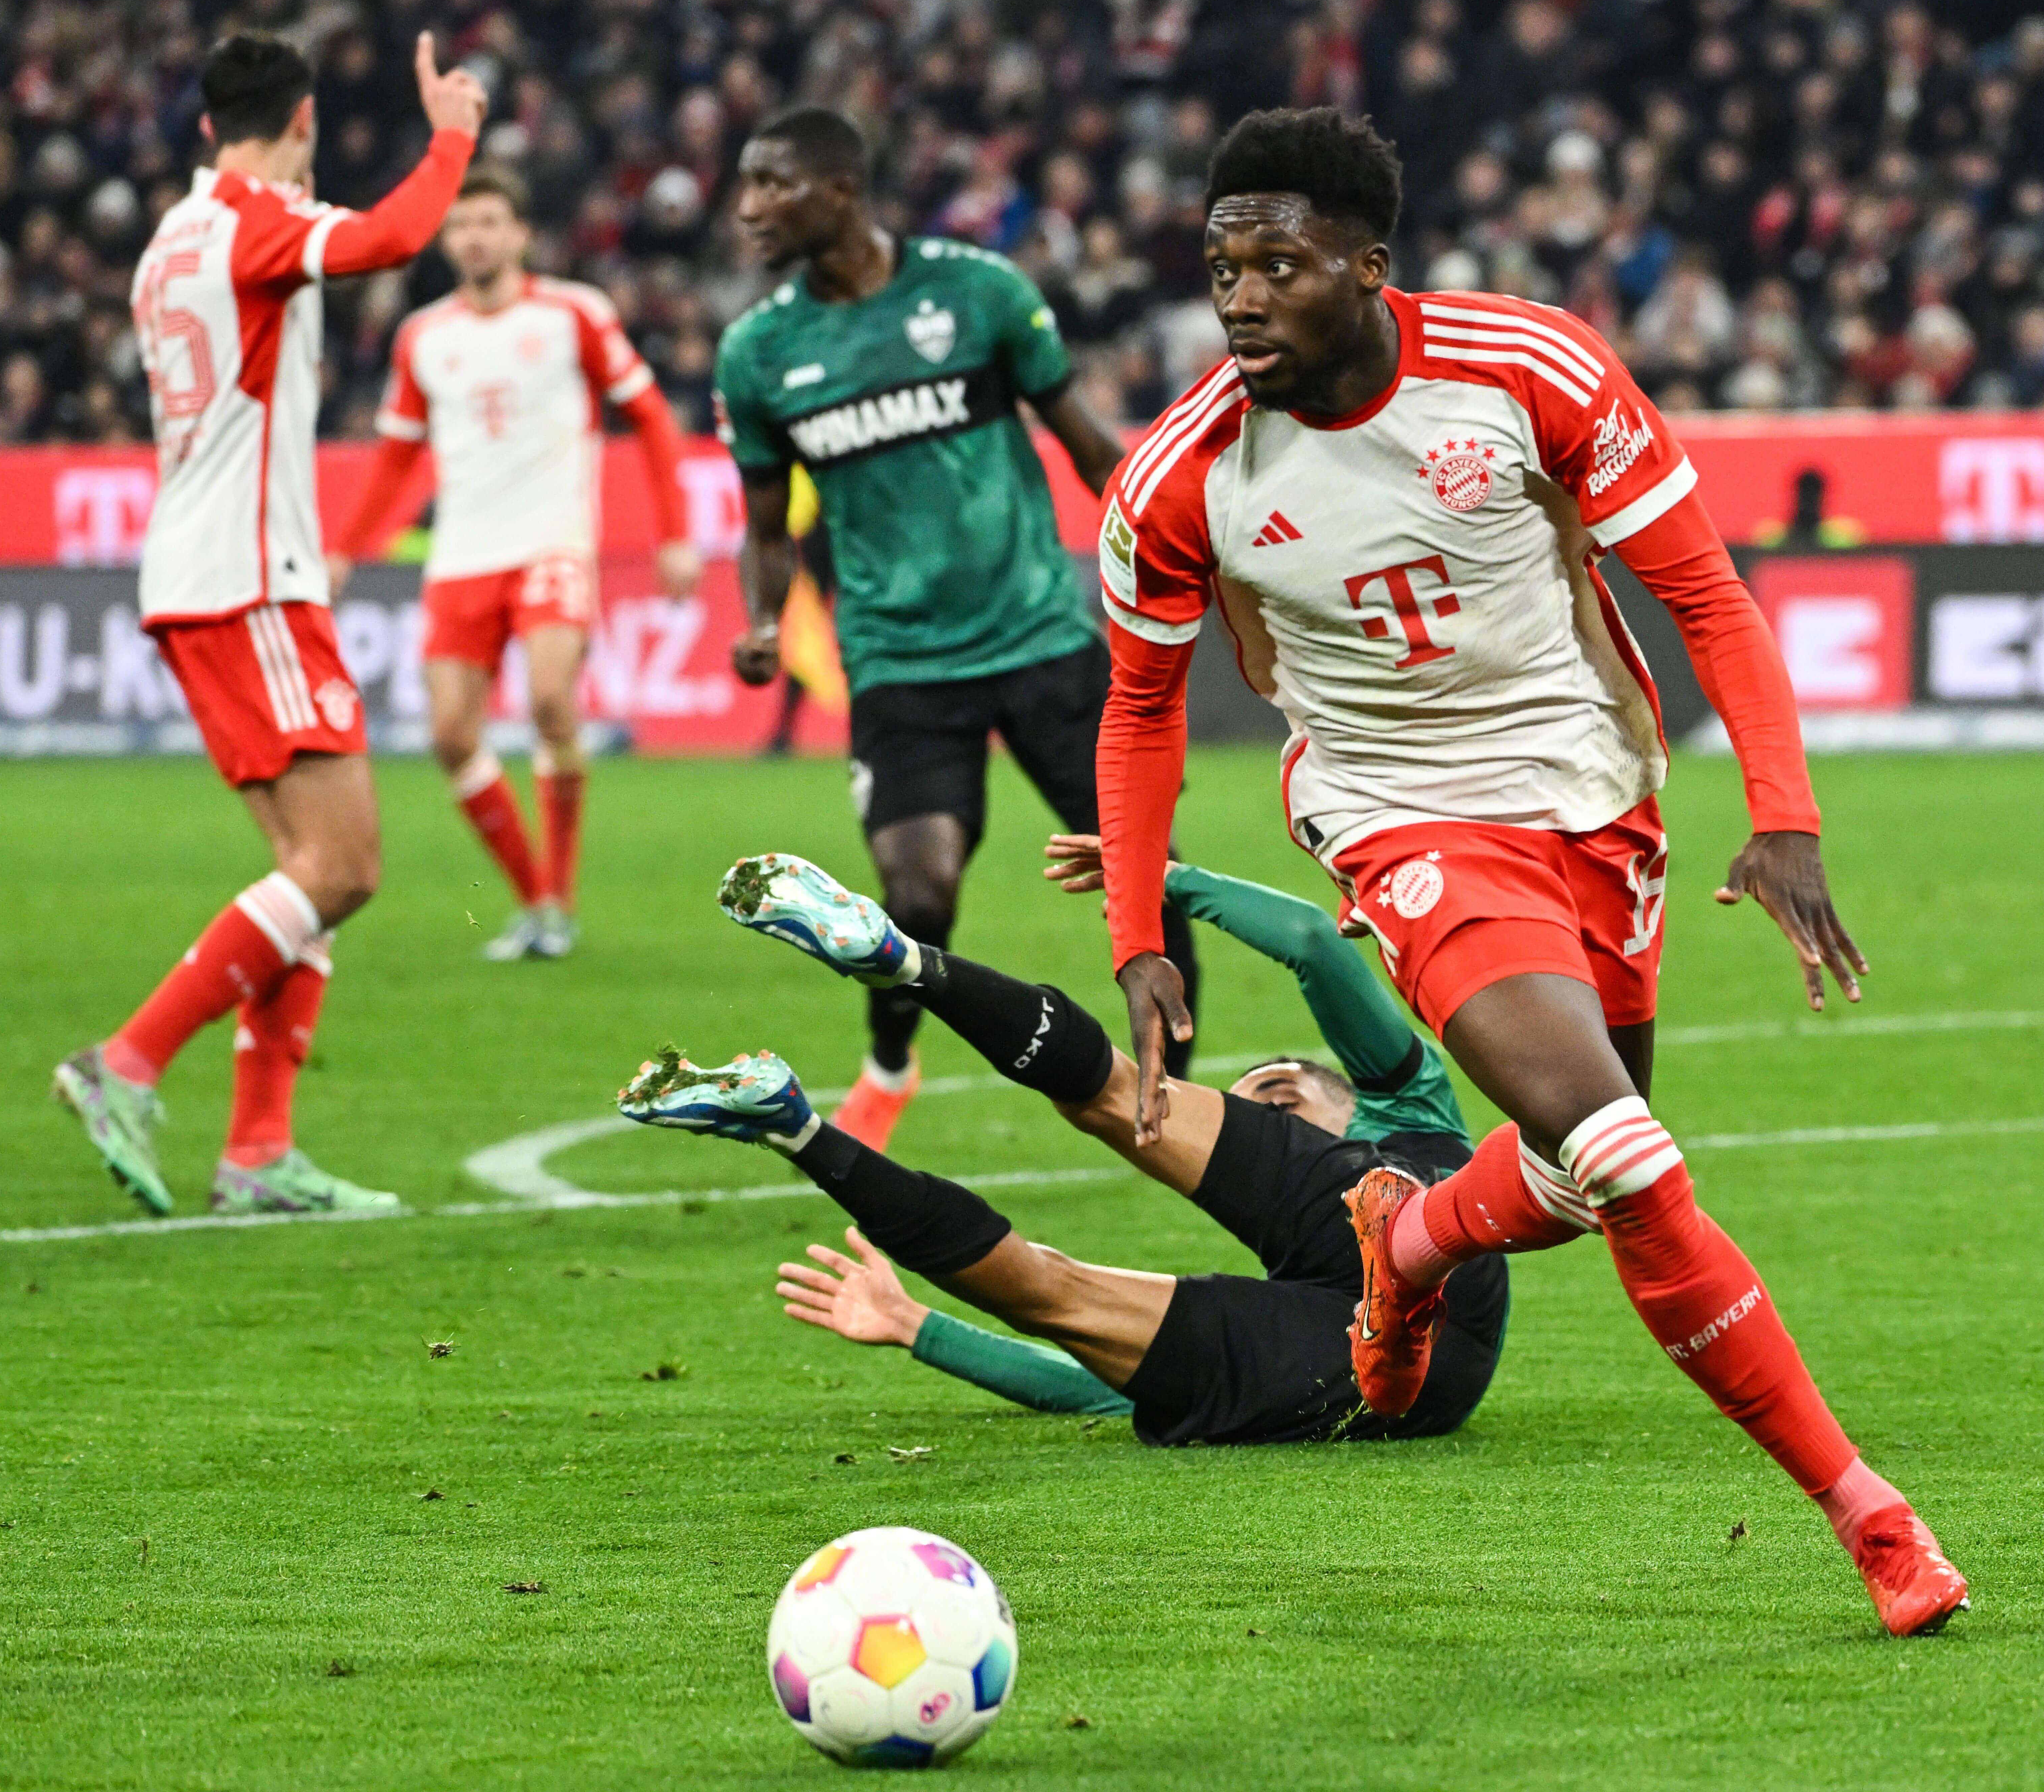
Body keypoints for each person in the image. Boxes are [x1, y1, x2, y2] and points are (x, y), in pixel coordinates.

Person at [1092, 108, 1967, 1635]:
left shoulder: (1526, 372)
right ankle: (1869, 1516)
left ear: (1368, 269)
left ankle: (1409, 1233)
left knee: (1573, 1174)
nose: (1237, 299)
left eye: (1277, 266)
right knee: (1628, 1159)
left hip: (1593, 797)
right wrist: (1135, 927)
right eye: (1220, 267)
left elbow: (1699, 586)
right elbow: (1140, 706)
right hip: (1402, 821)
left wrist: (1783, 816)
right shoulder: (1181, 479)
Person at [615, 851, 1507, 1446]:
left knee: (1119, 1098)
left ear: (1344, 1101)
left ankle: (904, 966)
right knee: (1054, 1292)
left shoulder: (1405, 1103)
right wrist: (918, 1328)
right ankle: (795, 1126)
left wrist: (1160, 877)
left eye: (1280, 1100)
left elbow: (1317, 944)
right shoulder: (1387, 1143)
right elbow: (1094, 1382)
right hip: (1358, 1360)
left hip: (1415, 1253)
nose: (1265, 1122)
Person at [711, 104, 1202, 1152]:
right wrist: (762, 617)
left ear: (840, 190)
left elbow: (1088, 449)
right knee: (915, 898)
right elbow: (766, 525)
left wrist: (1171, 554)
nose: (746, 208)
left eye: (770, 184)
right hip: (899, 662)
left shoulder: (979, 294)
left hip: (1040, 638)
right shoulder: (759, 352)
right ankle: (891, 1060)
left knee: (1144, 876)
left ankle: (1177, 1103)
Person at [51, 30, 483, 1216]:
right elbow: (394, 238)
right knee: (344, 866)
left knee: (303, 873)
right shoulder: (255, 222)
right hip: (253, 580)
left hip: (195, 577)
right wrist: (454, 135)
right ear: (300, 122)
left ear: (203, 124)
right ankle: (124, 1061)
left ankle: (256, 1153)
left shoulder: (168, 242)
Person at [330, 166, 701, 961]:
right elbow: (397, 459)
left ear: (521, 234)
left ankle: (559, 899)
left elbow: (652, 417)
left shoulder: (574, 314)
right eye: (463, 225)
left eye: (492, 221)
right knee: (451, 735)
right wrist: (343, 550)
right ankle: (534, 900)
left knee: (550, 704)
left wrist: (676, 532)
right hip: (463, 554)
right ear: (447, 239)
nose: (476, 236)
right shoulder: (424, 336)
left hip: (552, 541)